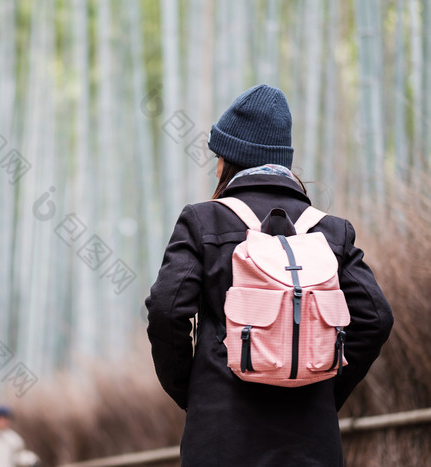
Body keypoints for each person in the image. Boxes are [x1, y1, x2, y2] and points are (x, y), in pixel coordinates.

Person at [146, 84, 394, 466]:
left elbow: (166, 310)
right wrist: (323, 385)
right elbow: (376, 319)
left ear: (228, 160)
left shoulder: (203, 220)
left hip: (219, 438)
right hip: (312, 442)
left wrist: (194, 390)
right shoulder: (330, 230)